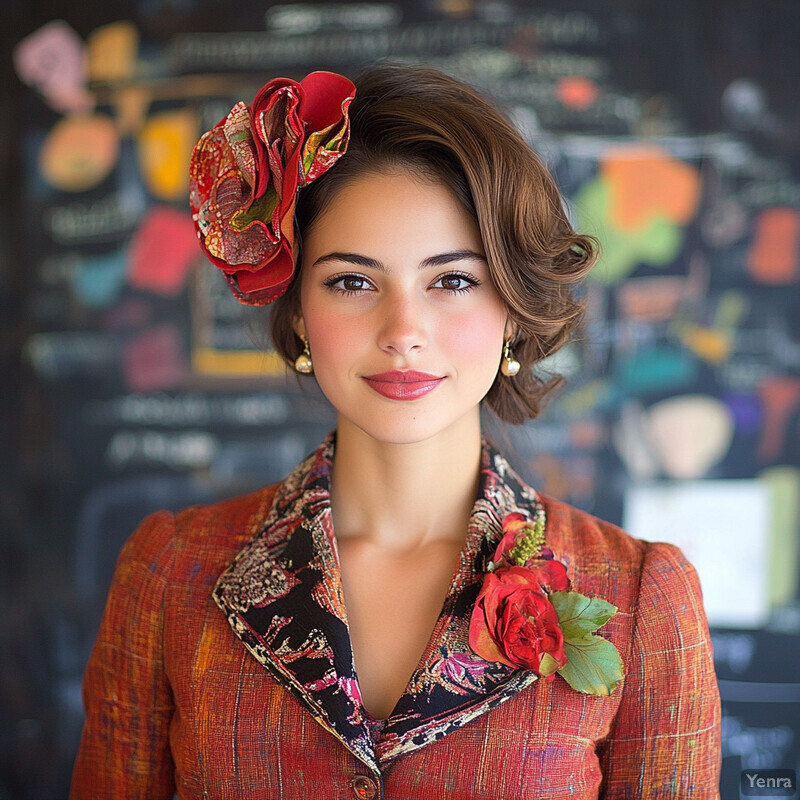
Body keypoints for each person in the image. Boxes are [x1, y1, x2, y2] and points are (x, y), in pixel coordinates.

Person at [70, 63, 722, 798]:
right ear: (299, 315)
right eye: (352, 281)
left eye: (452, 280)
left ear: (511, 308)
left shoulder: (641, 598)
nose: (403, 331)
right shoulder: (170, 574)